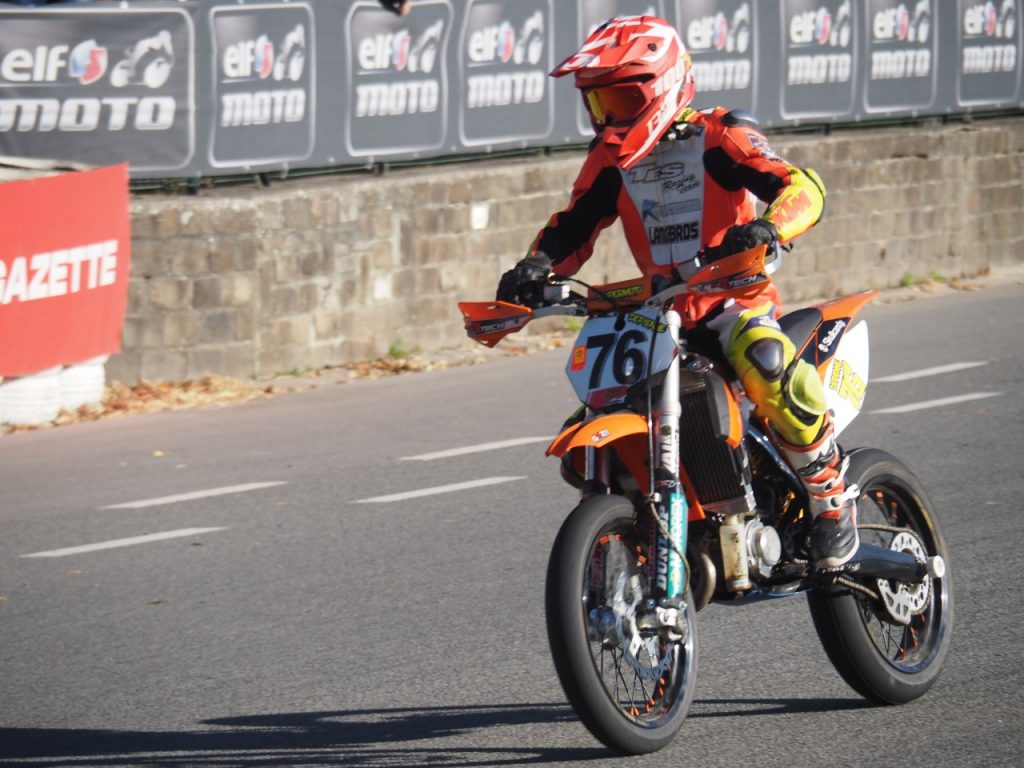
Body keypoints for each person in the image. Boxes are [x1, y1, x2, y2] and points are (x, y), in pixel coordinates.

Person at [496, 16, 857, 570]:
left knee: (765, 360)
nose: (608, 115)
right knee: (589, 418)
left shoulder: (718, 134)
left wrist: (770, 227)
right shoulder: (610, 160)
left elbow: (799, 185)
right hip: (653, 316)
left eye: (620, 96)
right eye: (599, 102)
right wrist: (536, 266)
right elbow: (573, 227)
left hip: (731, 301)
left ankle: (831, 499)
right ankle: (648, 528)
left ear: (662, 86)